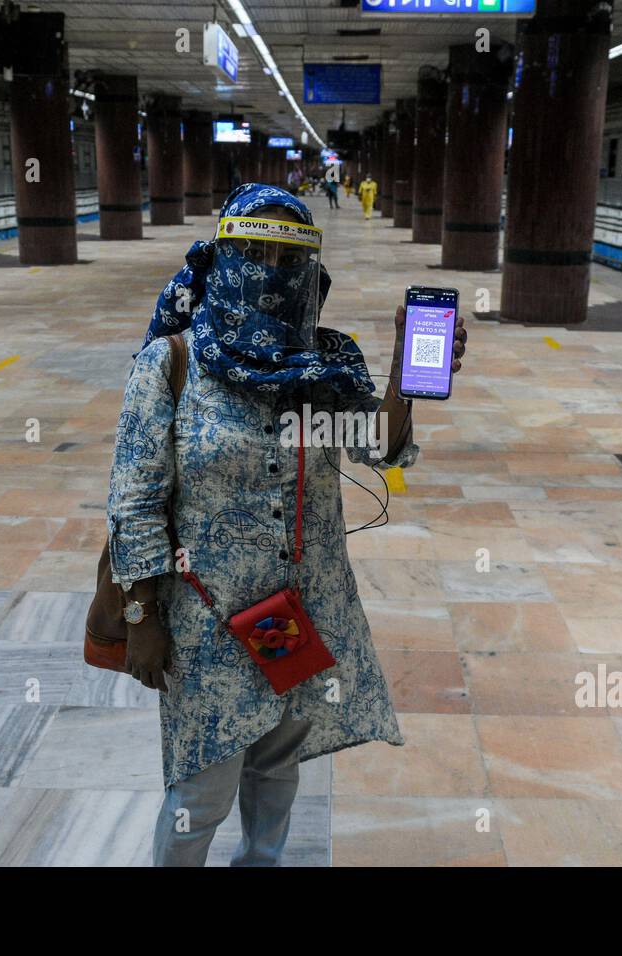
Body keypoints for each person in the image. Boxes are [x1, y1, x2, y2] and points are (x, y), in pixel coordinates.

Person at [109, 183, 467, 866]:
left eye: (288, 255)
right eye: (254, 252)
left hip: (300, 614)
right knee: (199, 794)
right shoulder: (174, 364)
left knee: (276, 770)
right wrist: (141, 616)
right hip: (205, 623)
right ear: (222, 257)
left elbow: (381, 447)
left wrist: (403, 379)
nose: (271, 270)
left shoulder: (323, 366)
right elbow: (134, 500)